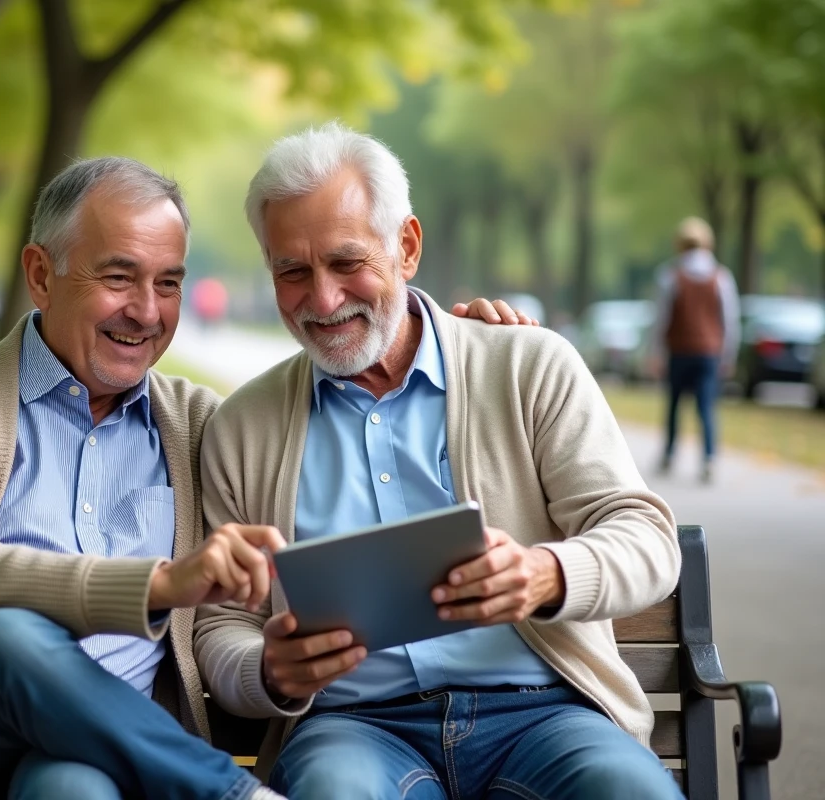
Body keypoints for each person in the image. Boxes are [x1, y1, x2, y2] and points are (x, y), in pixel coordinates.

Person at [0, 155, 525, 800]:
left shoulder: (200, 425)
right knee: (9, 639)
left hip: (100, 747)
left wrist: (459, 342)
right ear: (40, 274)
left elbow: (337, 401)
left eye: (168, 282)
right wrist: (159, 586)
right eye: (119, 277)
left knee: (73, 789)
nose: (146, 312)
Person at [194, 123, 683, 800]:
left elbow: (646, 537)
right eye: (292, 271)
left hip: (546, 715)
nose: (324, 298)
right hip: (353, 727)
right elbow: (221, 626)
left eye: (346, 261)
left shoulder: (527, 365)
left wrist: (547, 573)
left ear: (408, 247)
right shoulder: (241, 428)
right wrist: (268, 672)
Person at [649, 217, 740, 483]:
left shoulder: (670, 276)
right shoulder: (721, 277)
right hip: (709, 352)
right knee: (706, 406)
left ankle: (669, 453)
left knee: (674, 404)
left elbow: (661, 319)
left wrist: (655, 352)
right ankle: (709, 457)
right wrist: (728, 355)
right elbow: (729, 321)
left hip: (679, 350)